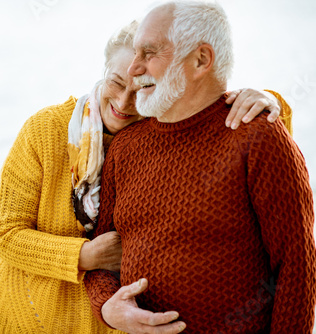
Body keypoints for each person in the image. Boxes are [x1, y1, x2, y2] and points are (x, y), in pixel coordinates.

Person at [0, 19, 293, 333]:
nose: (125, 102)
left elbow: (231, 138)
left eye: (141, 88)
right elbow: (6, 233)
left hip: (101, 323)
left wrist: (268, 103)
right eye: (115, 82)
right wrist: (86, 255)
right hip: (14, 316)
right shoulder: (45, 129)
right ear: (103, 69)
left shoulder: (164, 140)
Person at [84, 2, 315, 334]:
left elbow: (297, 266)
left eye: (149, 53)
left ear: (201, 60)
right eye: (136, 53)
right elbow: (104, 259)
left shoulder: (258, 137)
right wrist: (108, 306)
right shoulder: (126, 146)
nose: (135, 69)